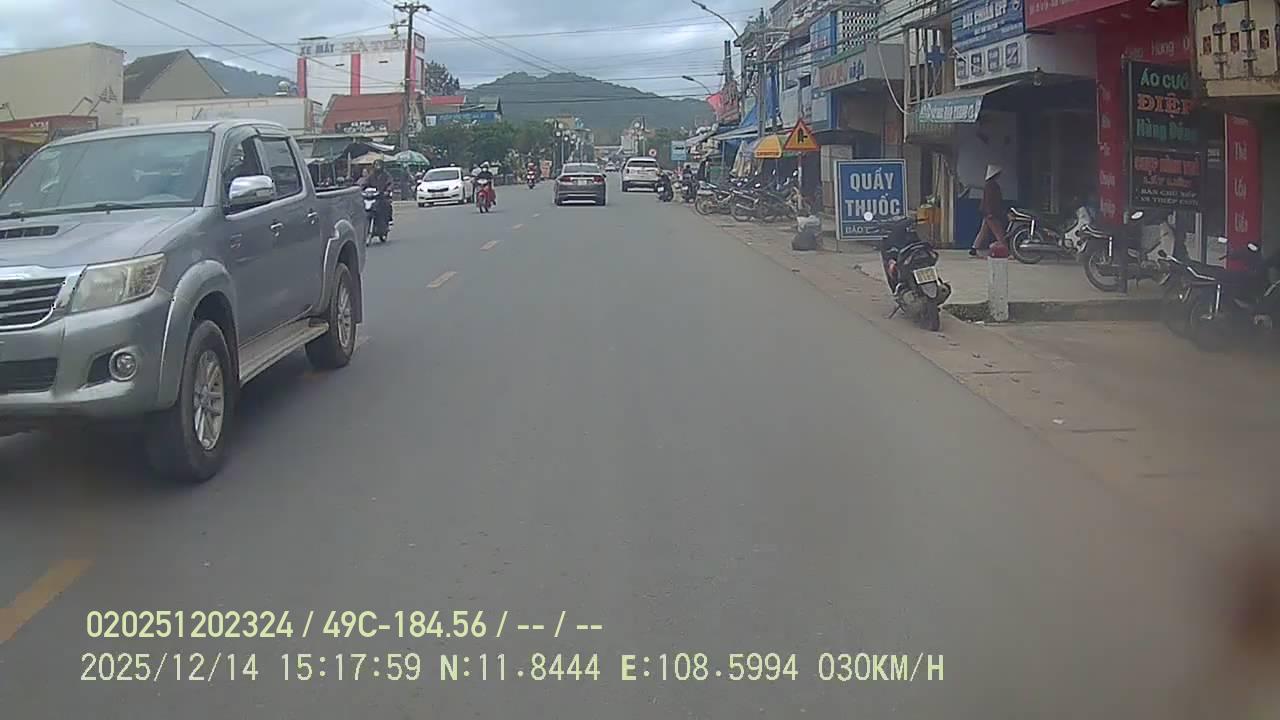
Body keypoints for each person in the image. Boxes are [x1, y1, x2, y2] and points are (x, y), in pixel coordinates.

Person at [970, 164, 1005, 257]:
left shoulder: (988, 185)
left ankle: (974, 248)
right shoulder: (992, 185)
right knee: (999, 232)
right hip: (991, 213)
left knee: (983, 231)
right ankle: (1005, 249)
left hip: (988, 212)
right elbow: (990, 200)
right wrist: (990, 212)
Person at [360, 160, 394, 225]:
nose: (378, 167)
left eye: (379, 165)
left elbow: (390, 183)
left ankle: (389, 219)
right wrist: (361, 189)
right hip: (372, 195)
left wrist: (387, 190)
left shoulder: (386, 175)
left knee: (387, 204)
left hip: (382, 195)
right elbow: (365, 183)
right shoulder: (371, 175)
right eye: (376, 165)